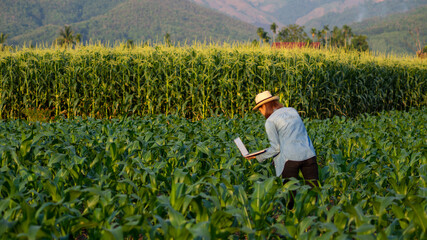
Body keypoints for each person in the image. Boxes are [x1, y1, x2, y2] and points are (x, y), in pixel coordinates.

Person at [245, 91, 319, 209]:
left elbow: (276, 148)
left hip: (290, 159)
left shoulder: (270, 121)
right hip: (309, 154)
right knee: (314, 192)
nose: (260, 111)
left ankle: (291, 220)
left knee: (290, 197)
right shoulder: (292, 111)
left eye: (259, 108)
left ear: (265, 106)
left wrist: (257, 156)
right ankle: (316, 219)